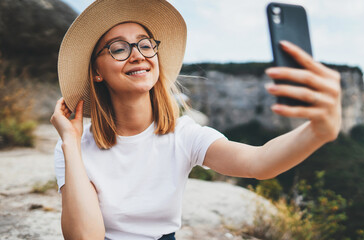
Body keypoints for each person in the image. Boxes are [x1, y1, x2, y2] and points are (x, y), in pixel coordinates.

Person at [50, 0, 342, 239]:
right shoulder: (75, 149)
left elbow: (259, 163)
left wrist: (319, 131)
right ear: (97, 72)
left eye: (145, 44)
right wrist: (70, 143)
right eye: (118, 48)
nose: (138, 55)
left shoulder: (184, 135)